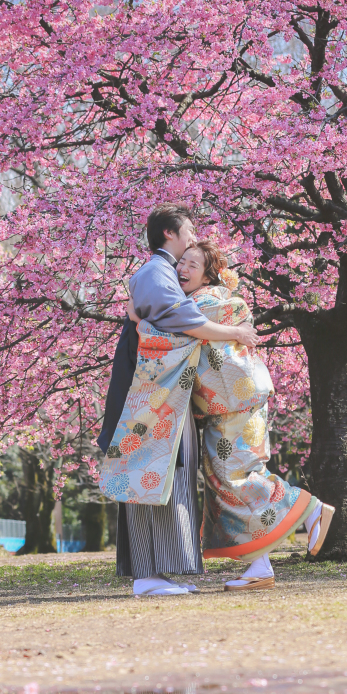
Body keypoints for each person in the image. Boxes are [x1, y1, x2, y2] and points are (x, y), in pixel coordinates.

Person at [97, 204, 259, 598]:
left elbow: (170, 321)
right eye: (188, 229)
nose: (192, 236)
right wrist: (232, 333)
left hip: (163, 394)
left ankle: (159, 574)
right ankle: (150, 576)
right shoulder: (156, 272)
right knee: (154, 476)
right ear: (170, 233)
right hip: (153, 396)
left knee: (164, 476)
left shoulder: (160, 273)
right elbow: (182, 323)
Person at [177, 240, 333, 589]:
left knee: (233, 476)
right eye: (181, 262)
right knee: (225, 479)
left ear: (207, 274)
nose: (182, 269)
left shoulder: (206, 301)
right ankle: (258, 566)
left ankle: (308, 507)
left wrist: (138, 312)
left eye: (192, 264)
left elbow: (174, 324)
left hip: (235, 402)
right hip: (234, 402)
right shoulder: (211, 301)